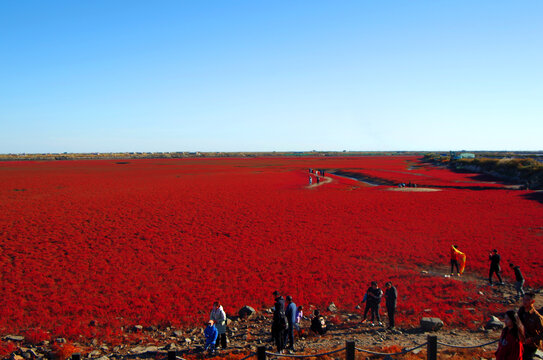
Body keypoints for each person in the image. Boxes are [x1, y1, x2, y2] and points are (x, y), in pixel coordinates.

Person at [518, 293, 543, 360]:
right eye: (524, 299)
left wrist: (532, 339)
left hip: (531, 346)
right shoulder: (521, 311)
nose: (525, 301)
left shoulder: (536, 317)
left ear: (532, 301)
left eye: (527, 300)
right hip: (520, 342)